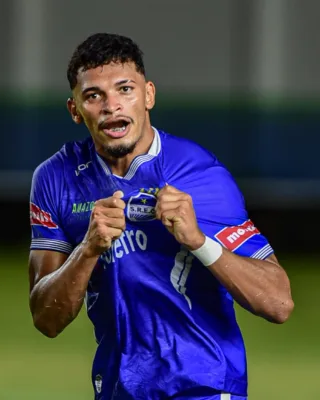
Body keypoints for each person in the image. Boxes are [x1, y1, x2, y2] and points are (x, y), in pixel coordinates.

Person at [28, 33, 294, 400]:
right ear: (75, 110)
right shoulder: (55, 179)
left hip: (205, 385)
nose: (111, 106)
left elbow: (279, 303)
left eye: (125, 89)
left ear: (148, 95)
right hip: (117, 388)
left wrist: (198, 241)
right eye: (94, 96)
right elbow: (46, 319)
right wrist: (87, 249)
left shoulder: (200, 174)